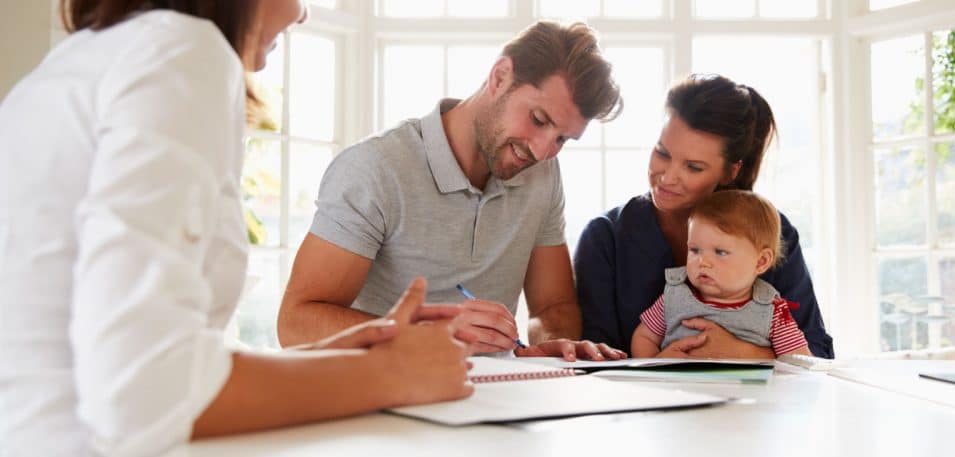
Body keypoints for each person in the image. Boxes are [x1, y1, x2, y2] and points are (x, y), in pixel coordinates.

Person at [0, 1, 473, 455]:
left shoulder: (78, 61)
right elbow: (142, 393)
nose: (302, 11)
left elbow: (107, 360)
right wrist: (390, 375)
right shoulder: (181, 50)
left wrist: (332, 359)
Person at [277, 21, 627, 361]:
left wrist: (550, 345)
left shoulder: (543, 175)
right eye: (538, 119)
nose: (542, 150)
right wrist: (427, 334)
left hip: (493, 399)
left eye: (562, 139)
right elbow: (296, 323)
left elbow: (553, 306)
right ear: (500, 76)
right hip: (381, 397)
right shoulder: (376, 168)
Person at [575, 73, 834, 359]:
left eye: (694, 167)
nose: (668, 177)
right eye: (662, 153)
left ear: (730, 171)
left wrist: (743, 352)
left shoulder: (771, 233)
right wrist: (657, 366)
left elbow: (817, 356)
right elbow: (595, 361)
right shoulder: (606, 238)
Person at [631, 190, 812, 358]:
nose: (703, 262)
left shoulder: (772, 311)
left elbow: (799, 361)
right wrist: (656, 364)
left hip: (745, 392)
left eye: (720, 252)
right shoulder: (675, 295)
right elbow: (644, 337)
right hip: (678, 389)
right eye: (695, 250)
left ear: (761, 261)